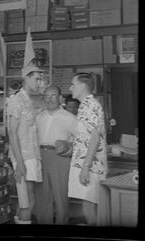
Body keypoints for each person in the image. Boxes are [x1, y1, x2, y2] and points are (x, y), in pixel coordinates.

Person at [68, 73, 107, 226]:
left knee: (89, 207)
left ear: (83, 86)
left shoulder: (91, 106)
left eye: (73, 84)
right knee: (88, 206)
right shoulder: (84, 105)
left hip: (90, 166)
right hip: (84, 164)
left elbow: (95, 139)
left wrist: (86, 167)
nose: (70, 87)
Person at [7, 64, 44, 224]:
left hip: (32, 156)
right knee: (26, 201)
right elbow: (12, 133)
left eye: (40, 79)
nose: (39, 82)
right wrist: (20, 163)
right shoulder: (16, 100)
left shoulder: (29, 101)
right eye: (36, 78)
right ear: (26, 78)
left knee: (26, 200)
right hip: (23, 158)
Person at [34, 85, 76, 224]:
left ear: (60, 98)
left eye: (53, 96)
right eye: (46, 96)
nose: (49, 99)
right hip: (40, 156)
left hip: (60, 157)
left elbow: (80, 141)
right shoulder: (39, 116)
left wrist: (68, 148)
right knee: (42, 195)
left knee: (61, 195)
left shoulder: (70, 117)